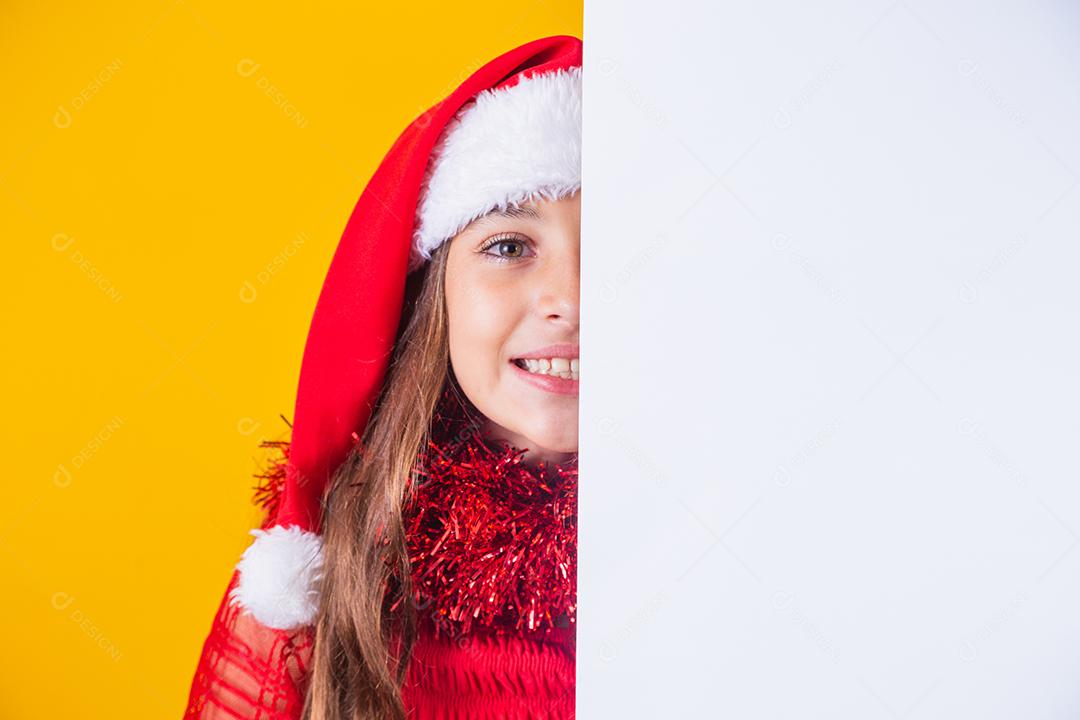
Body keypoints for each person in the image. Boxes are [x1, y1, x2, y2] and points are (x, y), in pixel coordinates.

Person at [183, 34, 582, 720]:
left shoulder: (715, 547)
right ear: (437, 293)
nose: (571, 299)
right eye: (509, 246)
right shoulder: (328, 572)